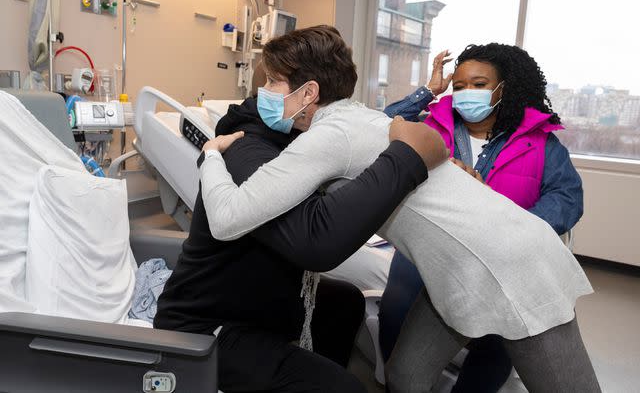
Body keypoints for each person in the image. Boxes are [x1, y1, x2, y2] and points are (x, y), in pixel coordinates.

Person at [200, 25, 600, 392]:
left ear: (308, 93)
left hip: (513, 263)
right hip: (455, 270)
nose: (263, 91)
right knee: (407, 375)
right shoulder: (359, 118)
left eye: (272, 80)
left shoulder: (330, 136)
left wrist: (212, 154)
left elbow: (227, 217)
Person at [154, 73, 448, 391]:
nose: (264, 90)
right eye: (266, 81)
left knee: (346, 301)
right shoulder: (248, 152)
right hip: (208, 324)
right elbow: (313, 241)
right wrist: (406, 161)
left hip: (249, 300)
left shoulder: (293, 144)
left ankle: (309, 366)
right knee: (345, 388)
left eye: (273, 82)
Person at [379, 44, 584, 392]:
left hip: (502, 266)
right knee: (399, 335)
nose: (466, 93)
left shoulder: (541, 144)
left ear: (504, 89)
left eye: (478, 84)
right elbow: (384, 122)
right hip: (435, 256)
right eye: (459, 86)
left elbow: (567, 200)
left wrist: (506, 222)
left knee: (494, 347)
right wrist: (430, 91)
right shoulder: (434, 127)